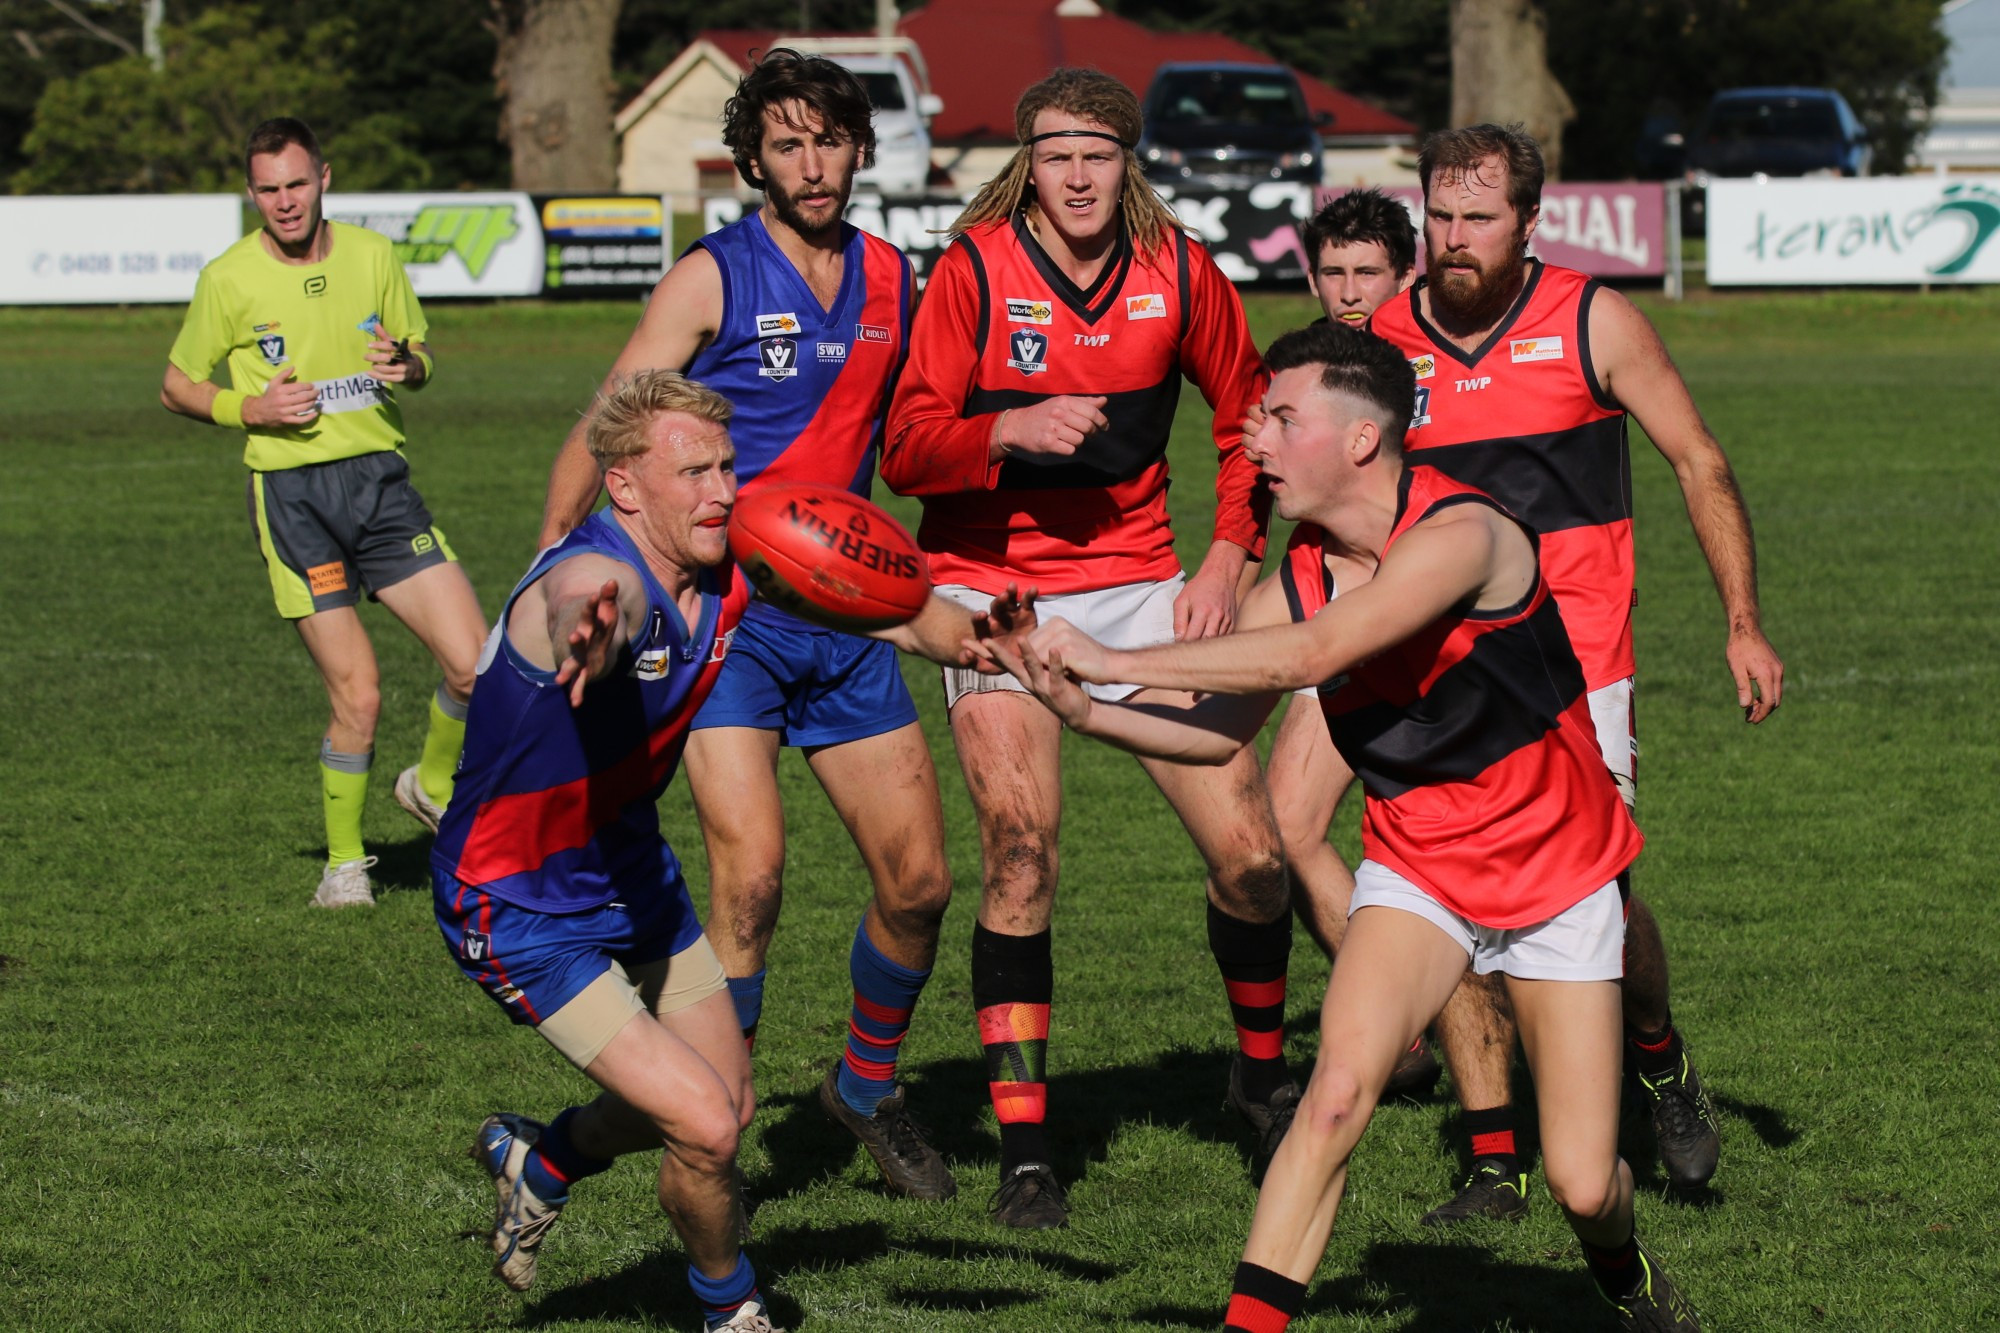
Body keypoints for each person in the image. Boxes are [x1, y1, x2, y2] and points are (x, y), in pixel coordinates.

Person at [986, 321, 1701, 1333]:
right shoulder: (1308, 568)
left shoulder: (1465, 534)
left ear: (1362, 439)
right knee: (1328, 1104)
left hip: (1558, 870)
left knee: (1584, 1184)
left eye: (1279, 416)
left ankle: (1626, 1280)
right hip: (1418, 866)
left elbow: (1309, 653)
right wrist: (1081, 708)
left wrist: (1103, 655)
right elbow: (1212, 731)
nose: (1252, 438)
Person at [438, 369, 1034, 1330]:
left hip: (634, 880)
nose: (721, 490)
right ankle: (732, 1309)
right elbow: (589, 600)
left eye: (725, 465)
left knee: (725, 1102)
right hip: (520, 905)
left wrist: (967, 637)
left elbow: (863, 596)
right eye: (693, 472)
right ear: (624, 486)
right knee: (708, 1126)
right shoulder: (600, 579)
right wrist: (586, 638)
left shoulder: (726, 564)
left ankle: (538, 1161)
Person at [537, 50, 958, 1201]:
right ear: (751, 159)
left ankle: (862, 1087)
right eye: (785, 143)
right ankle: (716, 1116)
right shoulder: (711, 277)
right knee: (750, 882)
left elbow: (919, 432)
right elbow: (610, 417)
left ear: (858, 149)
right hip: (730, 623)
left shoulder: (893, 277)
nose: (810, 164)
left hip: (848, 617)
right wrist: (553, 557)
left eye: (827, 140)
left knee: (919, 883)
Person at [884, 68, 1295, 1229]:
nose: (1076, 175)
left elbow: (1248, 418)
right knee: (1020, 854)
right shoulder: (971, 270)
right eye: (1056, 152)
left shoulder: (1181, 270)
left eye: (1098, 154)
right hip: (995, 598)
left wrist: (1223, 557)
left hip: (1141, 590)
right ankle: (1026, 1152)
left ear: (1129, 162)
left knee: (1255, 861)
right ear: (1027, 160)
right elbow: (904, 448)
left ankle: (1258, 1082)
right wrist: (1000, 428)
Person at [1365, 123, 1784, 1210]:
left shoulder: (1591, 321)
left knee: (1594, 897)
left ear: (1527, 223)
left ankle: (1656, 1054)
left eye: (1477, 219)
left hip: (1577, 667)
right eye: (1438, 217)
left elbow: (1697, 459)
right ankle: (1496, 1145)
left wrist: (1740, 621)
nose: (1452, 240)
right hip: (1438, 675)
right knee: (1461, 903)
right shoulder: (1381, 339)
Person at [162, 116, 486, 909]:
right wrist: (250, 408)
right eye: (268, 189)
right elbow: (176, 384)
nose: (284, 201)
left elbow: (419, 358)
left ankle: (431, 782)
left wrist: (408, 366)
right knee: (360, 694)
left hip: (380, 484)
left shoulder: (374, 257)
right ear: (251, 193)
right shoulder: (228, 277)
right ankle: (344, 867)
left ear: (324, 179)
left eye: (296, 184)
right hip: (294, 496)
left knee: (478, 664)